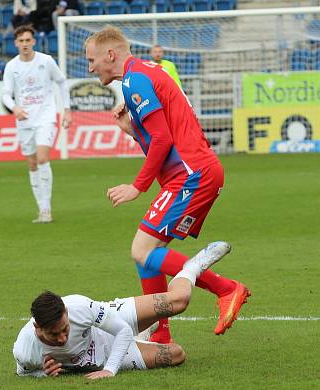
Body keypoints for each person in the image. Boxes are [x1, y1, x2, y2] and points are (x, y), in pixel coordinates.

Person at [84, 25, 250, 343]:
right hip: (195, 172)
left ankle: (227, 288)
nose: (91, 68)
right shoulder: (147, 71)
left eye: (93, 60)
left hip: (191, 175)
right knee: (148, 252)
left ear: (110, 54)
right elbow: (164, 131)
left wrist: (138, 186)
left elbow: (162, 138)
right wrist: (131, 129)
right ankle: (160, 332)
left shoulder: (135, 79)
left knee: (142, 249)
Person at [13, 241, 231, 379]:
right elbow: (23, 372)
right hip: (106, 352)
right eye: (54, 334)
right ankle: (144, 334)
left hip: (108, 324)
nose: (62, 338)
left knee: (179, 301)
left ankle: (193, 266)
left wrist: (110, 370)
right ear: (37, 327)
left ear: (67, 315)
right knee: (176, 354)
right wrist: (44, 373)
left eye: (65, 329)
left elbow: (122, 331)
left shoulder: (79, 307)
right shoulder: (25, 350)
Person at [2, 24, 72, 224]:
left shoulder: (46, 61)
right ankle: (41, 208)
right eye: (21, 41)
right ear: (16, 43)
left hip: (46, 117)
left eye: (27, 40)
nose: (24, 44)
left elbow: (61, 81)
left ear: (33, 41)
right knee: (31, 163)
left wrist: (66, 110)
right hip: (24, 120)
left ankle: (47, 209)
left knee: (42, 158)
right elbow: (6, 94)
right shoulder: (12, 66)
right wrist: (15, 108)